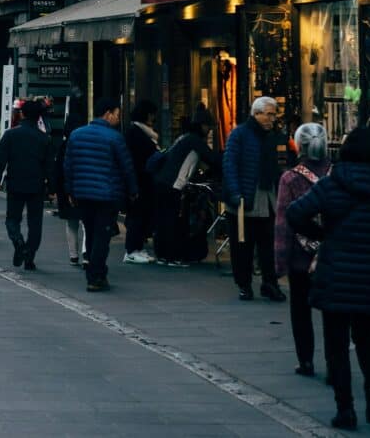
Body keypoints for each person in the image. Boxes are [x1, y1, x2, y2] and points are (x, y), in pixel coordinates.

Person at [288, 126, 370, 430]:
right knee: (366, 336)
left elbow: (295, 213)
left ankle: (345, 408)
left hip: (335, 271)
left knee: (336, 344)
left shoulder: (331, 185)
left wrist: (322, 234)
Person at [276, 122, 333, 380]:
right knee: (333, 315)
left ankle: (306, 360)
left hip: (301, 255)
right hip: (332, 254)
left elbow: (282, 223)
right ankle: (336, 364)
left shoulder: (290, 178)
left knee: (300, 310)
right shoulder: (337, 174)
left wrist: (280, 261)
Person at [64, 96, 137, 293]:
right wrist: (132, 191)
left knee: (91, 232)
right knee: (102, 236)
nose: (117, 118)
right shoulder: (114, 137)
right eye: (117, 114)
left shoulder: (76, 135)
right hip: (107, 195)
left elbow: (68, 165)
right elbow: (127, 167)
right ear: (108, 114)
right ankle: (95, 277)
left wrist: (70, 190)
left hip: (83, 194)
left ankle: (97, 271)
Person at [223, 95, 290, 302]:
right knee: (242, 244)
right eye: (268, 114)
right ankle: (244, 284)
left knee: (269, 245)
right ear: (256, 113)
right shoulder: (240, 134)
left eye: (274, 115)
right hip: (246, 197)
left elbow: (283, 163)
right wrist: (235, 192)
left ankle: (270, 283)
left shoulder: (276, 136)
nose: (272, 119)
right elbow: (230, 164)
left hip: (269, 196)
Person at [0, 98, 54, 270]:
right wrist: (52, 188)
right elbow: (49, 166)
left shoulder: (11, 135)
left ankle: (18, 242)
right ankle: (29, 255)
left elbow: (0, 160)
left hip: (15, 183)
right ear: (38, 117)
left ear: (22, 114)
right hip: (36, 185)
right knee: (35, 223)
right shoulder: (44, 138)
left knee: (12, 219)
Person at [151, 112, 221, 265]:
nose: (209, 130)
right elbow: (212, 159)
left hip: (162, 182)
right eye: (208, 127)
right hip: (173, 185)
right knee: (173, 221)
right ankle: (173, 256)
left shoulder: (184, 137)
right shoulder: (195, 141)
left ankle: (163, 255)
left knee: (164, 220)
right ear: (202, 126)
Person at [122, 99, 161, 265]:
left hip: (142, 180)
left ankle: (137, 248)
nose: (153, 118)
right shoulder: (136, 133)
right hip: (139, 181)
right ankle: (132, 250)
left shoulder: (140, 132)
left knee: (140, 215)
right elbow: (138, 159)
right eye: (152, 114)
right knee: (137, 215)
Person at [53, 99, 87, 267]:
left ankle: (73, 255)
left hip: (66, 189)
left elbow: (59, 170)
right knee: (87, 223)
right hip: (83, 187)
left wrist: (57, 191)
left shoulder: (64, 145)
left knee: (71, 222)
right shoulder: (84, 143)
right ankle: (86, 253)